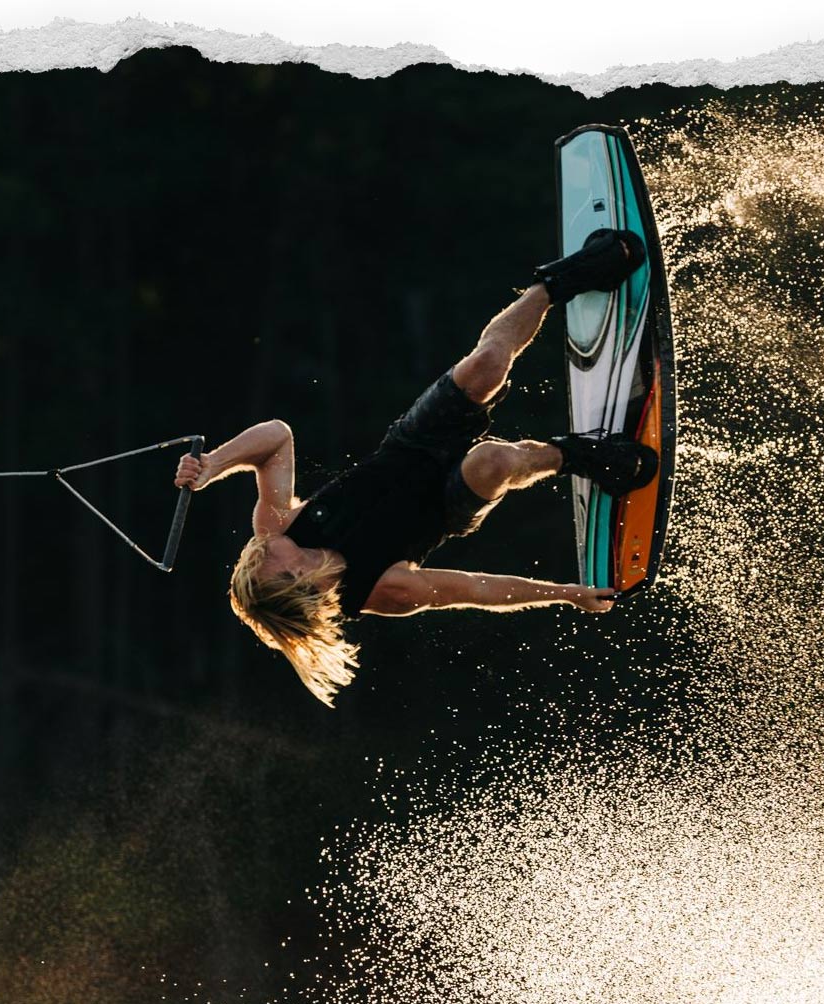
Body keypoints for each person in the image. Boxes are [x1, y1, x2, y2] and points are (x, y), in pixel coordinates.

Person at [174, 228, 659, 706]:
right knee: (492, 460)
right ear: (291, 580)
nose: (258, 547)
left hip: (410, 445)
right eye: (263, 561)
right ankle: (579, 455)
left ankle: (561, 281)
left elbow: (277, 436)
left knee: (485, 364)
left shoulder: (277, 526)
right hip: (449, 501)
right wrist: (565, 594)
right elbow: (474, 590)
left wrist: (212, 464)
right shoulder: (382, 591)